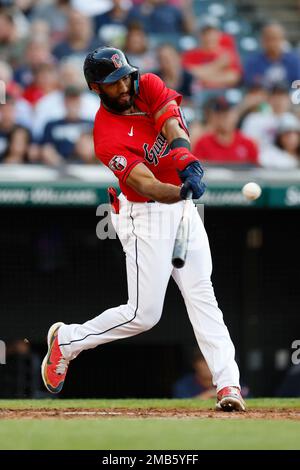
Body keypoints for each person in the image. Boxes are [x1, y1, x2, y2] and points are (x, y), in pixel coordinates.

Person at [41, 46, 246, 412]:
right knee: (143, 315)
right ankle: (67, 341)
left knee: (202, 293)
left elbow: (171, 120)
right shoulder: (105, 136)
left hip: (182, 210)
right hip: (144, 214)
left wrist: (186, 158)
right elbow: (147, 184)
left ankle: (228, 383)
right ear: (95, 88)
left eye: (123, 77)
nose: (122, 86)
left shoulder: (146, 83)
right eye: (112, 83)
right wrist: (179, 190)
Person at [193, 97, 258, 166]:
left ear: (235, 116)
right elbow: (197, 170)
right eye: (220, 114)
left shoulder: (247, 143)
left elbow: (255, 170)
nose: (225, 118)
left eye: (228, 114)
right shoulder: (203, 143)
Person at [182, 16, 242, 89]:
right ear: (199, 35)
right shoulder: (190, 55)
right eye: (205, 33)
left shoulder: (227, 54)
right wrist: (217, 65)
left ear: (219, 34)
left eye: (212, 32)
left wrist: (202, 77)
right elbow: (188, 74)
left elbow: (233, 77)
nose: (209, 36)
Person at [244, 22, 300, 88]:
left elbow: (297, 85)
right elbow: (249, 84)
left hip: (287, 96)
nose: (272, 43)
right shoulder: (253, 62)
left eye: (275, 38)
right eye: (268, 39)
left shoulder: (294, 61)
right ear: (262, 40)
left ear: (283, 39)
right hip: (261, 96)